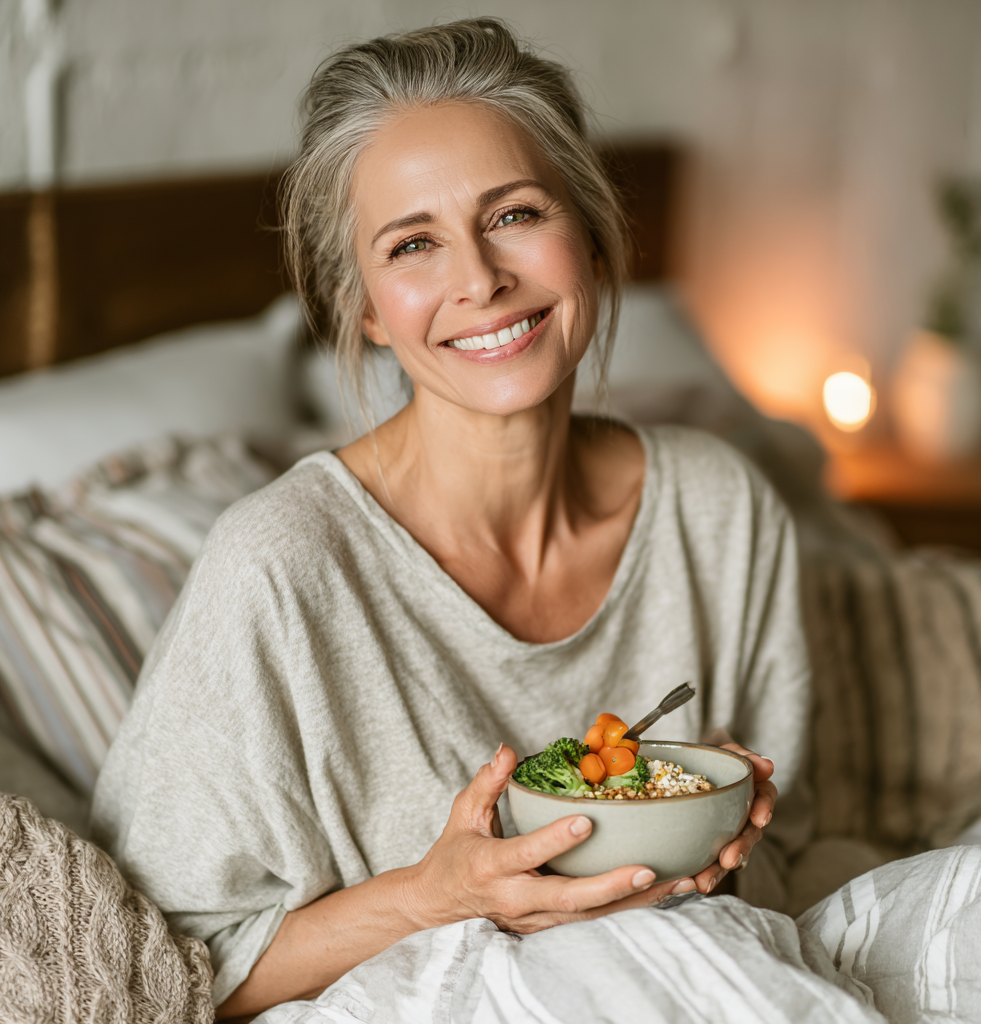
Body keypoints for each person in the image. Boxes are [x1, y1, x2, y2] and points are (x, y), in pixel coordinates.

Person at [90, 19, 809, 1020]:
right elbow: (151, 975)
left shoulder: (720, 507)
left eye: (513, 213)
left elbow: (797, 858)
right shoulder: (279, 565)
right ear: (370, 310)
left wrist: (724, 842)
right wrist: (438, 897)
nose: (478, 279)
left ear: (591, 237)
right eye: (414, 243)